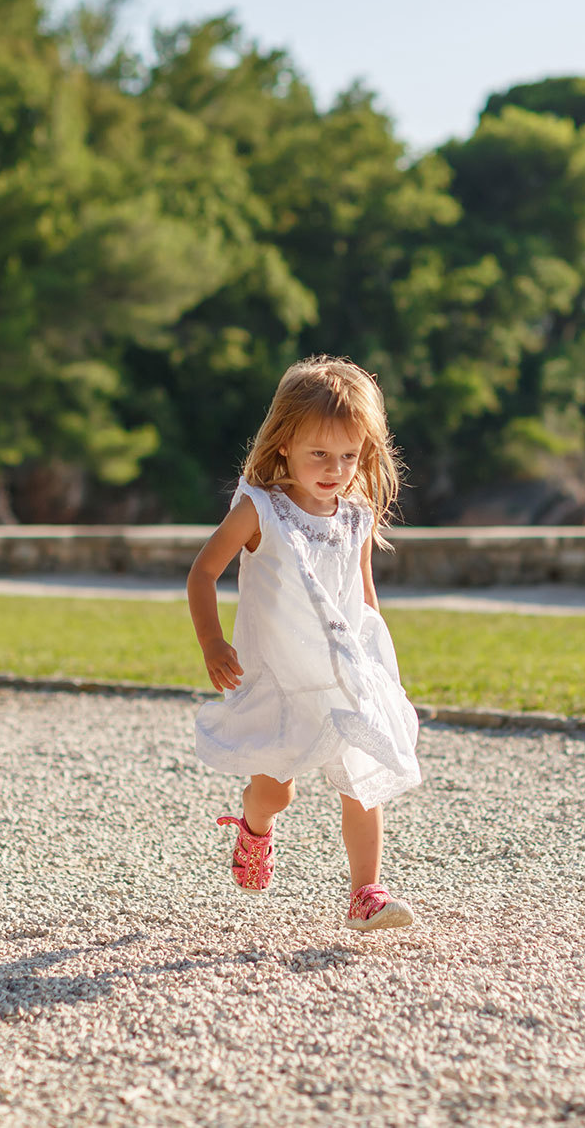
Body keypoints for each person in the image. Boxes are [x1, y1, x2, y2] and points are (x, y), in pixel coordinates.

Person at [186, 356, 422, 930]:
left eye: (348, 456)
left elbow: (363, 599)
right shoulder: (259, 511)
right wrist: (215, 645)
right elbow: (202, 573)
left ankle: (366, 892)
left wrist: (377, 667)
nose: (334, 468)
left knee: (363, 786)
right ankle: (253, 825)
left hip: (343, 675)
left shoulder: (357, 517)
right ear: (285, 443)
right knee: (277, 793)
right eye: (319, 453)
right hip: (283, 678)